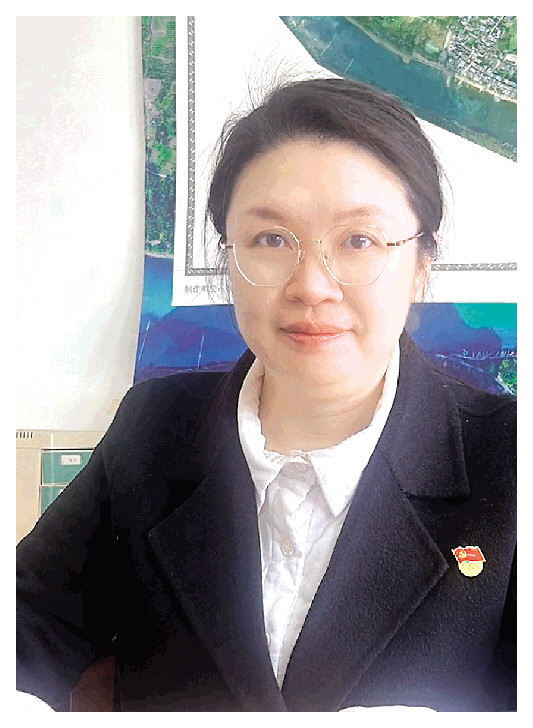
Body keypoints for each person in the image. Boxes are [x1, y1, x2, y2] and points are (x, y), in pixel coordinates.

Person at [17, 76, 516, 712]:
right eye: (271, 239)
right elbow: (28, 624)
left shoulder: (509, 457)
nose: (312, 285)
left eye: (359, 241)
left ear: (421, 264)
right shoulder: (154, 427)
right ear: (229, 257)